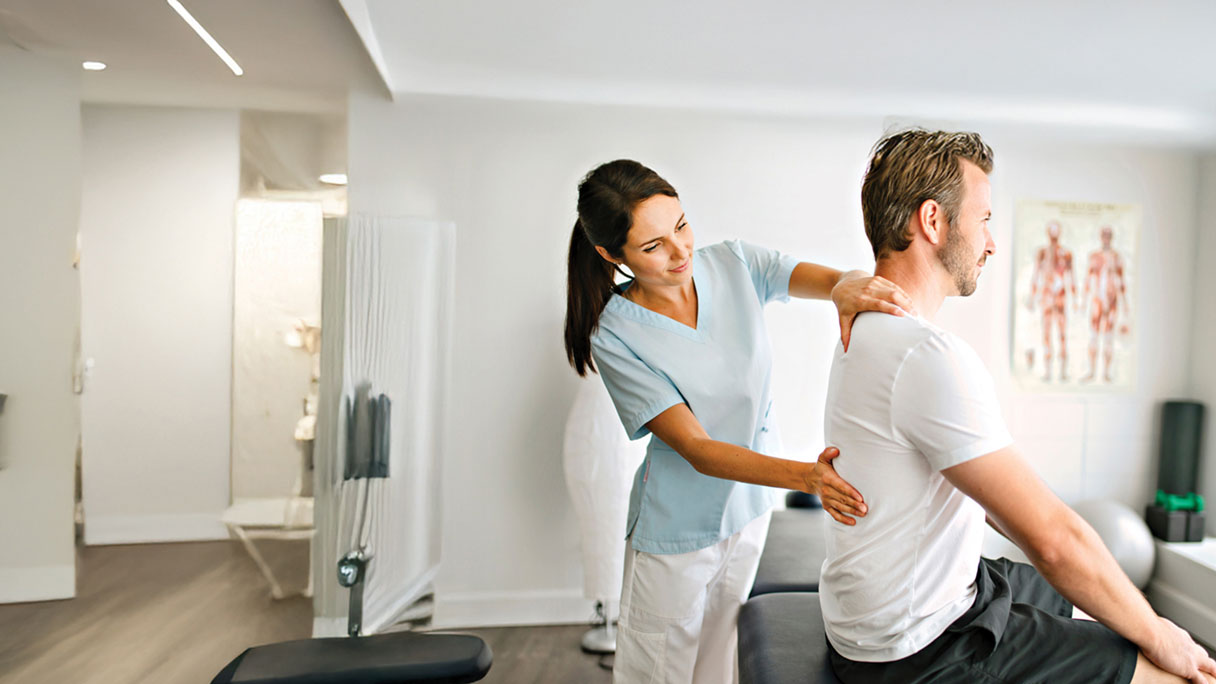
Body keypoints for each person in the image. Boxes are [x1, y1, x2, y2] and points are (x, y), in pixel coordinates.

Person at [820, 129, 1216, 684]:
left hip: (887, 620)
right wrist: (1159, 633)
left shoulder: (863, 331)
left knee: (1085, 605)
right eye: (983, 219)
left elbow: (992, 502)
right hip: (919, 652)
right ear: (933, 221)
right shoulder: (926, 356)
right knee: (1171, 670)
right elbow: (1053, 542)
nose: (991, 242)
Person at [563, 159, 913, 684]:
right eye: (653, 246)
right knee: (657, 675)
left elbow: (821, 278)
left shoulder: (732, 263)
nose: (680, 251)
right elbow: (698, 450)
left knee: (718, 668)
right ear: (612, 255)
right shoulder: (616, 337)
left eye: (681, 225)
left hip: (748, 515)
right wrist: (809, 478)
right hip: (676, 534)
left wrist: (845, 286)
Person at [1028, 220, 1077, 381]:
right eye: (1052, 232)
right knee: (1047, 334)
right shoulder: (1042, 253)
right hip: (1047, 297)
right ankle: (1048, 371)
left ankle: (1063, 371)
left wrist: (1075, 299)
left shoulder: (1066, 253)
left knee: (1062, 334)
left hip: (1060, 297)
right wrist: (1032, 297)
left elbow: (1071, 277)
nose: (1054, 235)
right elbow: (1036, 275)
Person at [1082, 225, 1129, 383]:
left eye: (1109, 234)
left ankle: (1106, 373)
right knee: (1094, 337)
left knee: (1108, 338)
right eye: (1104, 234)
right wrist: (1083, 300)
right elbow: (1088, 279)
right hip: (1097, 300)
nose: (1106, 237)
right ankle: (1091, 371)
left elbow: (1121, 281)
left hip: (1112, 300)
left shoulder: (1116, 256)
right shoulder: (1094, 256)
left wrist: (1125, 304)